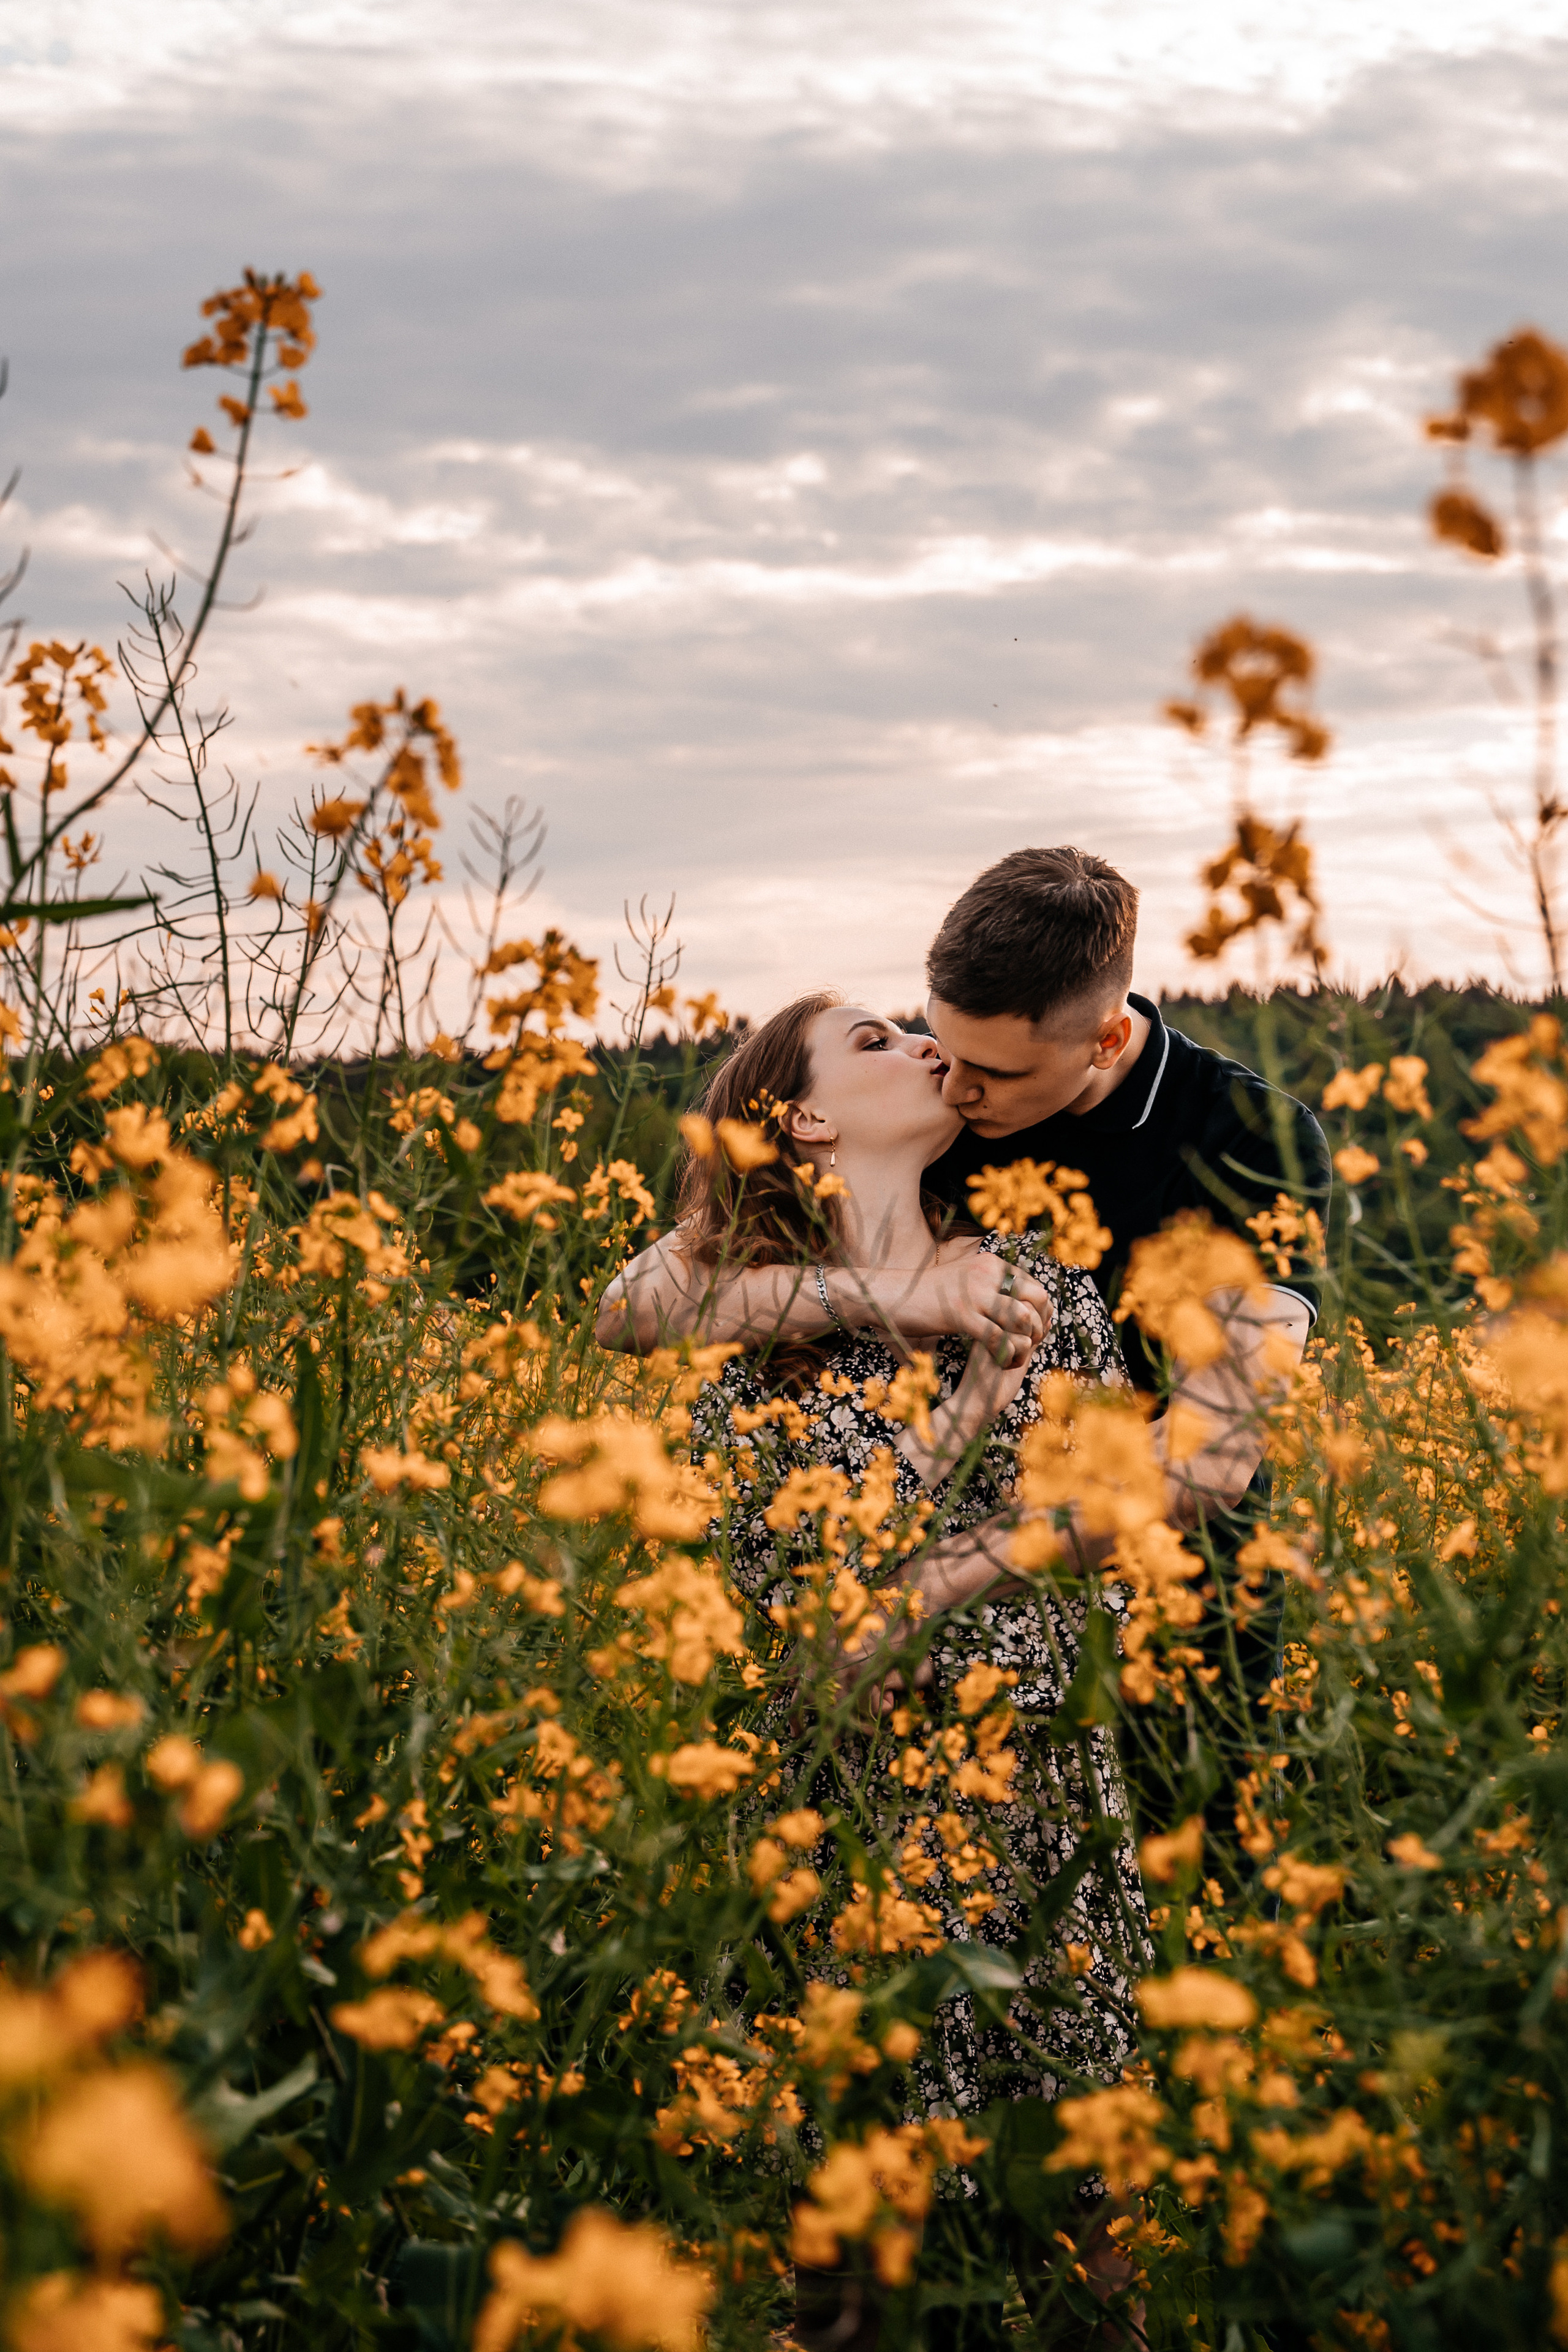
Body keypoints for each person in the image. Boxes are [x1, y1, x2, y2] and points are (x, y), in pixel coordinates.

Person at [619, 990, 1150, 2351]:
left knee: (1083, 2229)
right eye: (873, 1040)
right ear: (799, 1120)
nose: (922, 1044)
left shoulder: (1042, 1280)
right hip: (853, 1810)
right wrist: (965, 1397)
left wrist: (989, 1436)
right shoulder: (744, 1359)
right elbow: (809, 1625)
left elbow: (1116, 1523)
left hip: (1037, 1789)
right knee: (854, 2250)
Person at [601, 845, 1329, 1548]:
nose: (950, 1082)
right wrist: (900, 1295)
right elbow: (632, 1306)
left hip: (1182, 1623)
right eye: (939, 1042)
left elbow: (1207, 1462)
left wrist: (917, 1603)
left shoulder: (1257, 1141)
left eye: (987, 1072)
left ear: (1104, 1044)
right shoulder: (939, 1121)